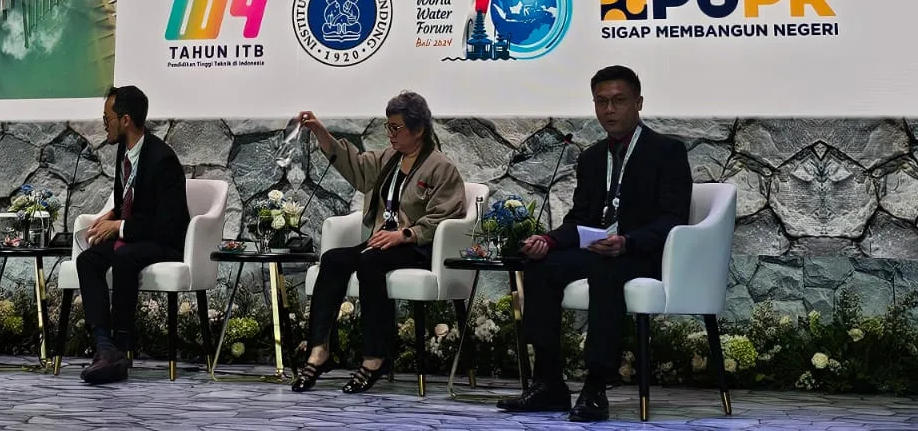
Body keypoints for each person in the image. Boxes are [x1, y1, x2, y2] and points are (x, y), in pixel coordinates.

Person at [500, 66, 692, 420]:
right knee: (541, 265)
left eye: (619, 101)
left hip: (644, 253)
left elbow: (673, 219)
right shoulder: (591, 158)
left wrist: (628, 241)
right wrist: (548, 240)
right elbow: (580, 220)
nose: (609, 110)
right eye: (601, 102)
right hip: (601, 249)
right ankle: (548, 383)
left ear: (638, 103)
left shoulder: (667, 151)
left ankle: (595, 386)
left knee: (607, 268)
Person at [293, 92, 467, 395]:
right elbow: (356, 167)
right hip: (380, 242)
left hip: (416, 247)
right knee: (333, 259)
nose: (391, 134)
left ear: (419, 129)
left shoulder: (441, 168)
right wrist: (321, 131)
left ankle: (375, 357)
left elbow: (446, 215)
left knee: (369, 261)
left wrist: (405, 234)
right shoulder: (388, 159)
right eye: (389, 127)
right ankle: (319, 350)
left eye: (397, 128)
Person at [75, 85, 190, 385]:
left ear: (125, 120)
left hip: (165, 242)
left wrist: (120, 227)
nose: (105, 125)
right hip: (136, 235)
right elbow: (129, 199)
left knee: (124, 257)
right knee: (88, 261)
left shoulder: (162, 159)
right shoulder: (123, 152)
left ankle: (122, 347)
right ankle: (104, 347)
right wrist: (111, 215)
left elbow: (166, 223)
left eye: (107, 118)